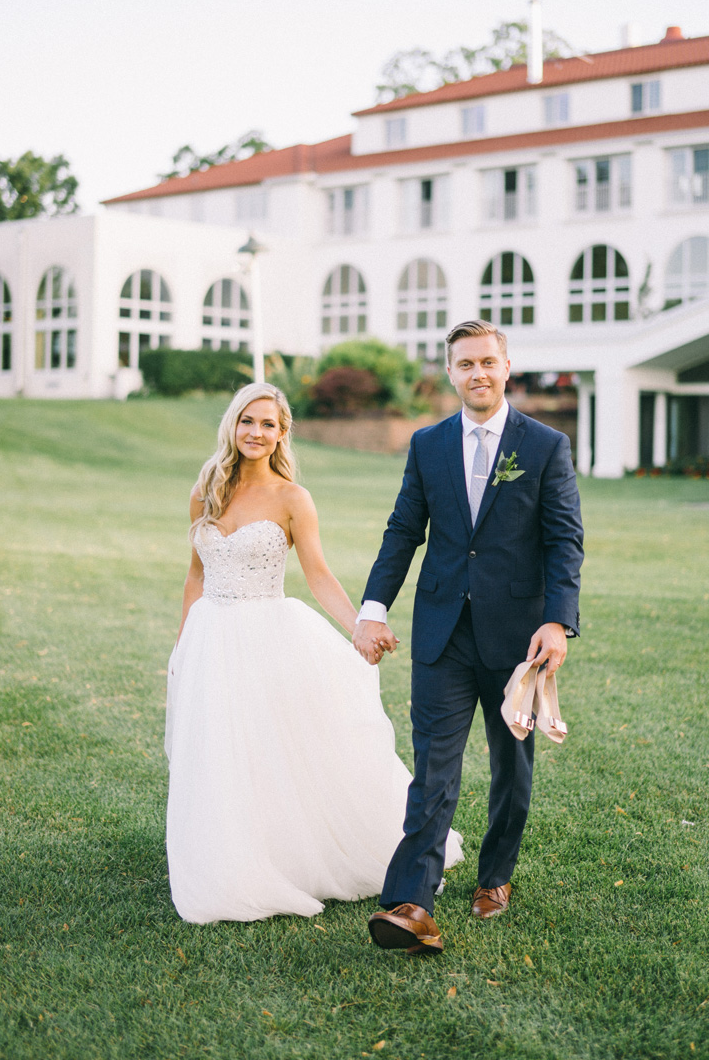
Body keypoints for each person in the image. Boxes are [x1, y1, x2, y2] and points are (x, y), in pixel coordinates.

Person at [164, 381, 461, 924]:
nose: (256, 432)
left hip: (267, 636)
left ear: (283, 434)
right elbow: (195, 575)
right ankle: (228, 856)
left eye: (268, 424)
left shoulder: (292, 499)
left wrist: (361, 626)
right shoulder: (206, 488)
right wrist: (183, 645)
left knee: (270, 750)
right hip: (211, 637)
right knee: (220, 752)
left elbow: (319, 576)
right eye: (247, 421)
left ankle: (286, 856)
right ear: (233, 424)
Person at [353, 321, 584, 955]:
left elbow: (565, 540)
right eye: (464, 364)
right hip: (441, 634)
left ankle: (494, 877)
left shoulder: (544, 446)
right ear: (450, 373)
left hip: (519, 640)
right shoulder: (427, 445)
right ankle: (410, 904)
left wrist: (558, 621)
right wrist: (373, 609)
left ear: (507, 367)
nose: (477, 373)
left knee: (512, 765)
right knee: (433, 768)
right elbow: (404, 532)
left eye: (488, 362)